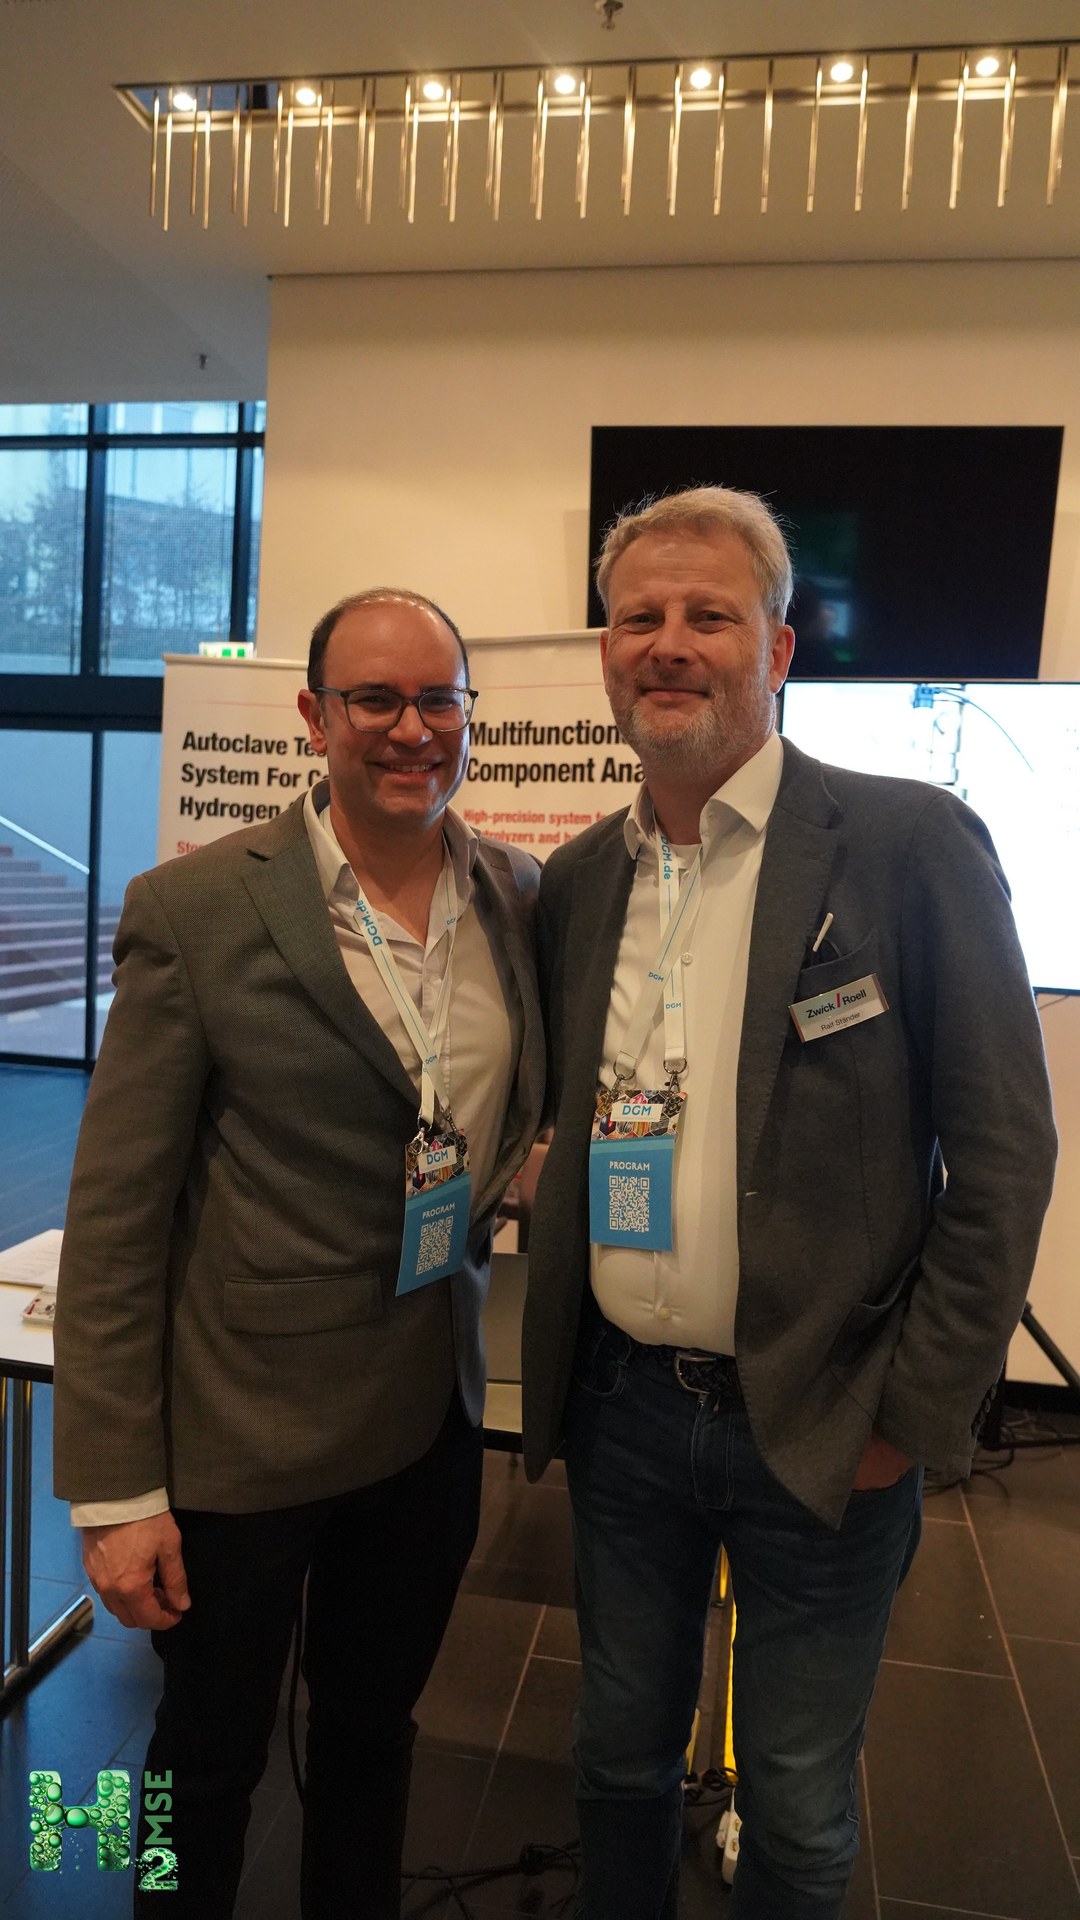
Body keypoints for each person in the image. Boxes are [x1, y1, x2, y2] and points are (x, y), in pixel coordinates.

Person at [521, 487, 1057, 1920]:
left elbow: (1005, 1154)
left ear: (779, 647)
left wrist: (910, 1416)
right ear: (605, 653)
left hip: (827, 1419)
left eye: (709, 615)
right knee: (615, 1760)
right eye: (639, 617)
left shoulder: (909, 844)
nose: (669, 643)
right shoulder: (576, 881)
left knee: (802, 1806)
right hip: (625, 1416)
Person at [53, 586, 545, 1919]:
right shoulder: (197, 909)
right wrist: (114, 1491)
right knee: (195, 1763)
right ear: (313, 717)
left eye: (438, 699)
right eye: (374, 699)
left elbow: (511, 1107)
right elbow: (116, 1218)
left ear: (469, 714)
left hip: (426, 1422)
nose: (411, 729)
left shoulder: (514, 892)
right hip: (242, 1436)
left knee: (374, 1735)